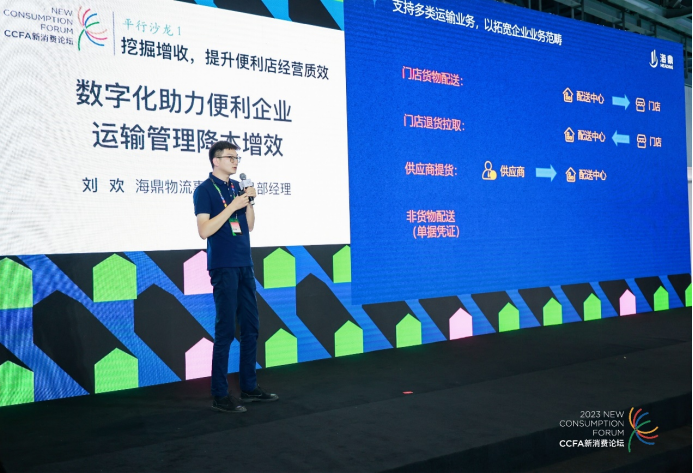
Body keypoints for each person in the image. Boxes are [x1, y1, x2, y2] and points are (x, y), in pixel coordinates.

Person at [193, 140, 279, 413]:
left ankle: (249, 387)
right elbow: (204, 230)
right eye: (230, 157)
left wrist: (249, 203)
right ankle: (220, 394)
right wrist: (231, 207)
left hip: (244, 263)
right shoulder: (205, 190)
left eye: (237, 158)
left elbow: (248, 226)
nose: (235, 161)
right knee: (226, 330)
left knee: (251, 327)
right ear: (215, 160)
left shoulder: (235, 188)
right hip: (223, 266)